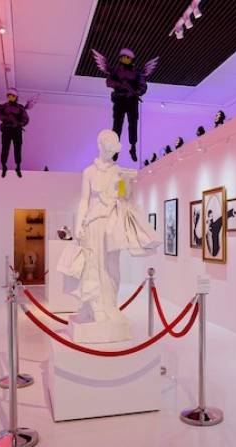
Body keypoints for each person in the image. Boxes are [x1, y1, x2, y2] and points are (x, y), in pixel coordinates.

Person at [72, 129, 160, 327]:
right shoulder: (89, 172)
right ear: (100, 146)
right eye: (108, 149)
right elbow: (84, 200)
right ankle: (95, 306)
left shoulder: (118, 171)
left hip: (112, 224)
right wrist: (78, 225)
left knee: (112, 267)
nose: (111, 153)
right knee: (94, 265)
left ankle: (110, 305)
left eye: (113, 150)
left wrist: (125, 182)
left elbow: (124, 197)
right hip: (93, 223)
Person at [92, 49, 159, 163]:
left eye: (127, 58)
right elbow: (109, 82)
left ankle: (133, 147)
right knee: (117, 126)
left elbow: (143, 86)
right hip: (119, 101)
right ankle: (115, 150)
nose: (125, 60)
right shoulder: (116, 71)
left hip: (132, 102)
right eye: (123, 57)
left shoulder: (137, 73)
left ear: (131, 59)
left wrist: (136, 92)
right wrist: (120, 85)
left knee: (133, 125)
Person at [0, 88, 38, 178]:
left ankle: (18, 167)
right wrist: (6, 118)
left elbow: (26, 119)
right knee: (5, 148)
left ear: (16, 97)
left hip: (17, 130)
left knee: (17, 148)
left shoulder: (20, 107)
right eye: (9, 96)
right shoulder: (4, 106)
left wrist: (19, 123)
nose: (10, 97)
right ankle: (4, 166)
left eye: (12, 96)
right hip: (6, 130)